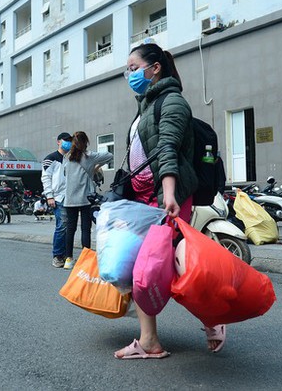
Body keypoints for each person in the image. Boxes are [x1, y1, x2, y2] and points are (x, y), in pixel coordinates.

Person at [114, 42, 225, 360]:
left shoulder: (172, 102)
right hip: (143, 199)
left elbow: (168, 149)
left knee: (163, 269)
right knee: (154, 268)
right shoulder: (145, 106)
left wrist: (169, 193)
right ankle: (151, 339)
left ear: (155, 67)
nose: (129, 74)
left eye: (134, 67)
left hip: (167, 198)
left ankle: (207, 318)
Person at [62, 131, 113, 270]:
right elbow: (110, 155)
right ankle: (86, 260)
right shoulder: (90, 156)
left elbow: (64, 175)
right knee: (86, 229)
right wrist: (95, 166)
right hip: (86, 198)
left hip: (70, 198)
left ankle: (68, 260)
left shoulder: (66, 157)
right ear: (86, 142)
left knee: (70, 229)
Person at [41, 132, 72, 268]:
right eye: (65, 140)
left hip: (71, 197)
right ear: (58, 141)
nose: (68, 143)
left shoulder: (71, 158)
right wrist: (49, 196)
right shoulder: (51, 158)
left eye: (70, 141)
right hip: (58, 197)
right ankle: (57, 256)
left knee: (67, 227)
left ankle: (66, 255)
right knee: (62, 226)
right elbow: (45, 178)